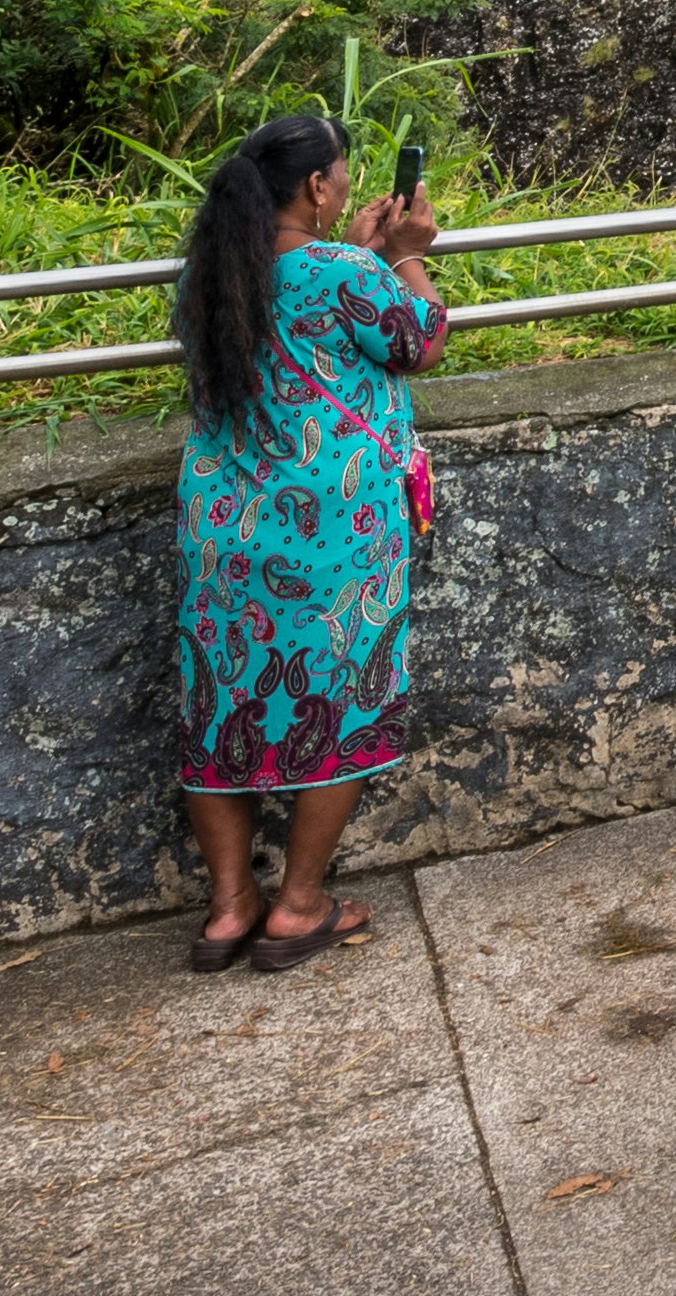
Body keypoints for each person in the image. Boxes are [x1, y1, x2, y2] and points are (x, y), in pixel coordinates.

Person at [169, 105, 445, 973]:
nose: (351, 190)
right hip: (334, 527)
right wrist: (406, 254)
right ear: (318, 186)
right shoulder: (340, 270)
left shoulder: (216, 269)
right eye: (345, 178)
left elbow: (302, 314)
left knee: (220, 698)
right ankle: (298, 904)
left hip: (223, 522)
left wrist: (357, 257)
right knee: (339, 694)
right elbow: (422, 339)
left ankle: (228, 906)